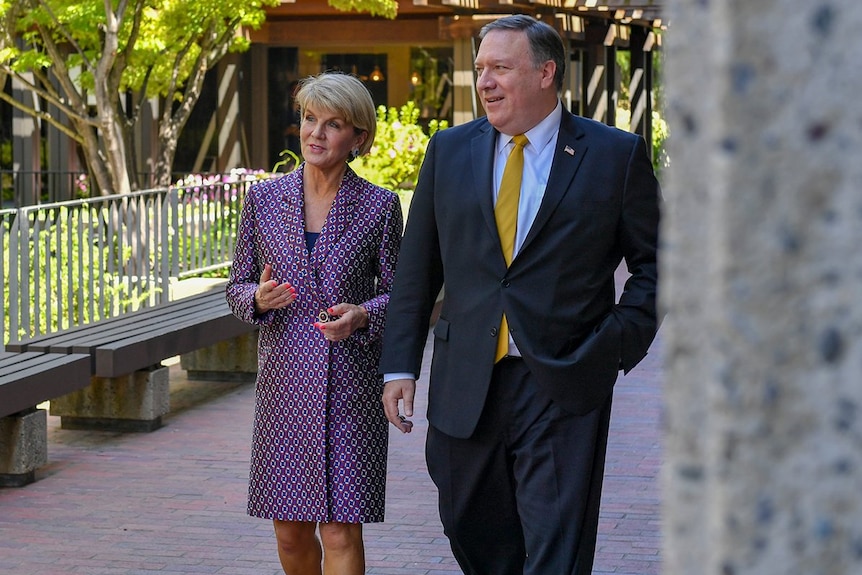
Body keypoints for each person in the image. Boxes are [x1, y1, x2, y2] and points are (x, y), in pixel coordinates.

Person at [380, 14, 661, 575]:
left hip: (563, 378)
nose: (485, 80)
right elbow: (417, 271)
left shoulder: (613, 155)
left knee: (556, 546)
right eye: (481, 67)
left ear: (545, 73)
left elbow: (659, 264)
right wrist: (398, 367)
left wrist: (617, 341)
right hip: (467, 381)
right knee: (470, 527)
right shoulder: (449, 151)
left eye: (501, 68)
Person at [226, 72, 403, 575]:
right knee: (289, 532)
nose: (316, 133)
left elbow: (404, 297)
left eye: (334, 124)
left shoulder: (380, 207)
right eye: (309, 119)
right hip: (284, 393)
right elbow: (235, 288)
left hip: (352, 388)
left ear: (359, 138)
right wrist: (256, 299)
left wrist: (364, 313)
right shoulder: (263, 200)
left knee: (341, 528)